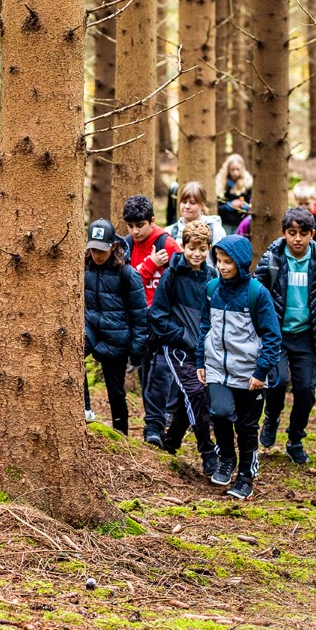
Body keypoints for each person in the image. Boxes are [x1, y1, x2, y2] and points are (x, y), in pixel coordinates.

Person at [254, 206, 316, 465]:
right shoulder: (272, 259)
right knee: (277, 381)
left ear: (312, 235)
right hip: (277, 335)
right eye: (292, 233)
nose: (297, 239)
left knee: (306, 389)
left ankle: (295, 438)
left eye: (303, 233)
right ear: (283, 233)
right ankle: (271, 417)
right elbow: (258, 294)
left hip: (307, 336)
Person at [197, 235, 282, 500]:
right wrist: (200, 360)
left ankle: (246, 475)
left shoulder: (257, 293)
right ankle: (227, 459)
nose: (222, 267)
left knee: (246, 426)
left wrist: (261, 372)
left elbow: (272, 336)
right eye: (219, 261)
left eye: (228, 262)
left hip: (249, 373)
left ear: (241, 263)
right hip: (216, 369)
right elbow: (204, 326)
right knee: (220, 413)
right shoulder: (211, 289)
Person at [149, 220, 219, 476]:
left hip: (204, 350)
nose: (197, 254)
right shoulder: (171, 274)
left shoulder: (212, 277)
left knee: (189, 397)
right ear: (183, 246)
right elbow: (157, 316)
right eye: (192, 248)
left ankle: (171, 443)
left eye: (202, 248)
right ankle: (207, 452)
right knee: (196, 392)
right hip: (177, 347)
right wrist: (182, 336)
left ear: (209, 249)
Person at [124, 195, 181, 446]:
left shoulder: (167, 244)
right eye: (131, 226)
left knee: (163, 369)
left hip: (165, 318)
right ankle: (153, 420)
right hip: (139, 318)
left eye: (140, 226)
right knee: (146, 371)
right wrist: (150, 265)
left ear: (152, 221)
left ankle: (161, 419)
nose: (135, 231)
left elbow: (183, 277)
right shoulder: (126, 245)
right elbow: (126, 282)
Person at [84, 220, 150, 431]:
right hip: (90, 331)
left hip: (116, 339)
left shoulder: (127, 274)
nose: (97, 255)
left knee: (116, 392)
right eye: (93, 249)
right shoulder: (84, 267)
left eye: (102, 249)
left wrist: (136, 352)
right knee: (71, 360)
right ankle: (84, 410)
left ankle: (121, 433)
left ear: (113, 246)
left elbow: (139, 317)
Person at [166, 181, 227, 246]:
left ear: (202, 204)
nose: (187, 207)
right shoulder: (169, 232)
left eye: (192, 203)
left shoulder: (216, 231)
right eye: (184, 202)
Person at [215, 154, 254, 235]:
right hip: (225, 223)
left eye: (237, 169)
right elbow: (217, 206)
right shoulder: (222, 184)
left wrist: (242, 205)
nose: (235, 173)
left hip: (240, 224)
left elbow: (251, 205)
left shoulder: (247, 183)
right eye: (232, 170)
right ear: (227, 169)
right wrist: (230, 205)